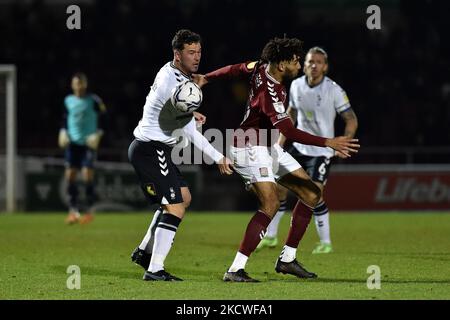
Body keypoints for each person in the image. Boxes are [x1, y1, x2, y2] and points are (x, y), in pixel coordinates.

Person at [195, 37, 360, 282]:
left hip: (267, 145)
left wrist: (206, 77)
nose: (299, 65)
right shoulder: (269, 93)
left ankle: (287, 259)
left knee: (313, 194)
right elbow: (290, 132)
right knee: (271, 203)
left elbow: (237, 68)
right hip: (248, 145)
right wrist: (328, 142)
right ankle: (235, 269)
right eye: (295, 61)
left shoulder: (261, 66)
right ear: (282, 65)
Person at [128, 29, 233, 281]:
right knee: (175, 207)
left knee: (183, 197)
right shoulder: (172, 82)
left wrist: (188, 113)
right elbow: (190, 131)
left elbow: (168, 109)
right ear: (177, 54)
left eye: (199, 52)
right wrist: (217, 156)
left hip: (154, 148)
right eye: (190, 52)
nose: (197, 57)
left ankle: (144, 251)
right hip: (150, 149)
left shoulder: (173, 73)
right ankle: (154, 270)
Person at [257, 47, 358, 254]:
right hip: (299, 147)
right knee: (279, 190)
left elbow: (351, 118)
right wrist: (279, 143)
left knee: (313, 195)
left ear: (325, 67)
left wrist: (345, 142)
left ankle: (326, 242)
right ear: (304, 65)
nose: (314, 65)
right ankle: (271, 237)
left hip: (321, 152)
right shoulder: (296, 85)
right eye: (310, 61)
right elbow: (290, 115)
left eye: (319, 62)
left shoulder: (334, 90)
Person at [58, 72, 107, 225]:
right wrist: (63, 131)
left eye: (81, 83)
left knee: (87, 175)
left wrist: (99, 133)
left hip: (88, 144)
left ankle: (89, 210)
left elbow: (106, 117)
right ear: (72, 85)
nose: (78, 86)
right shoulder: (68, 100)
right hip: (72, 143)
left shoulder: (94, 100)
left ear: (85, 84)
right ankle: (73, 211)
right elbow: (65, 118)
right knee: (70, 175)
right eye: (76, 84)